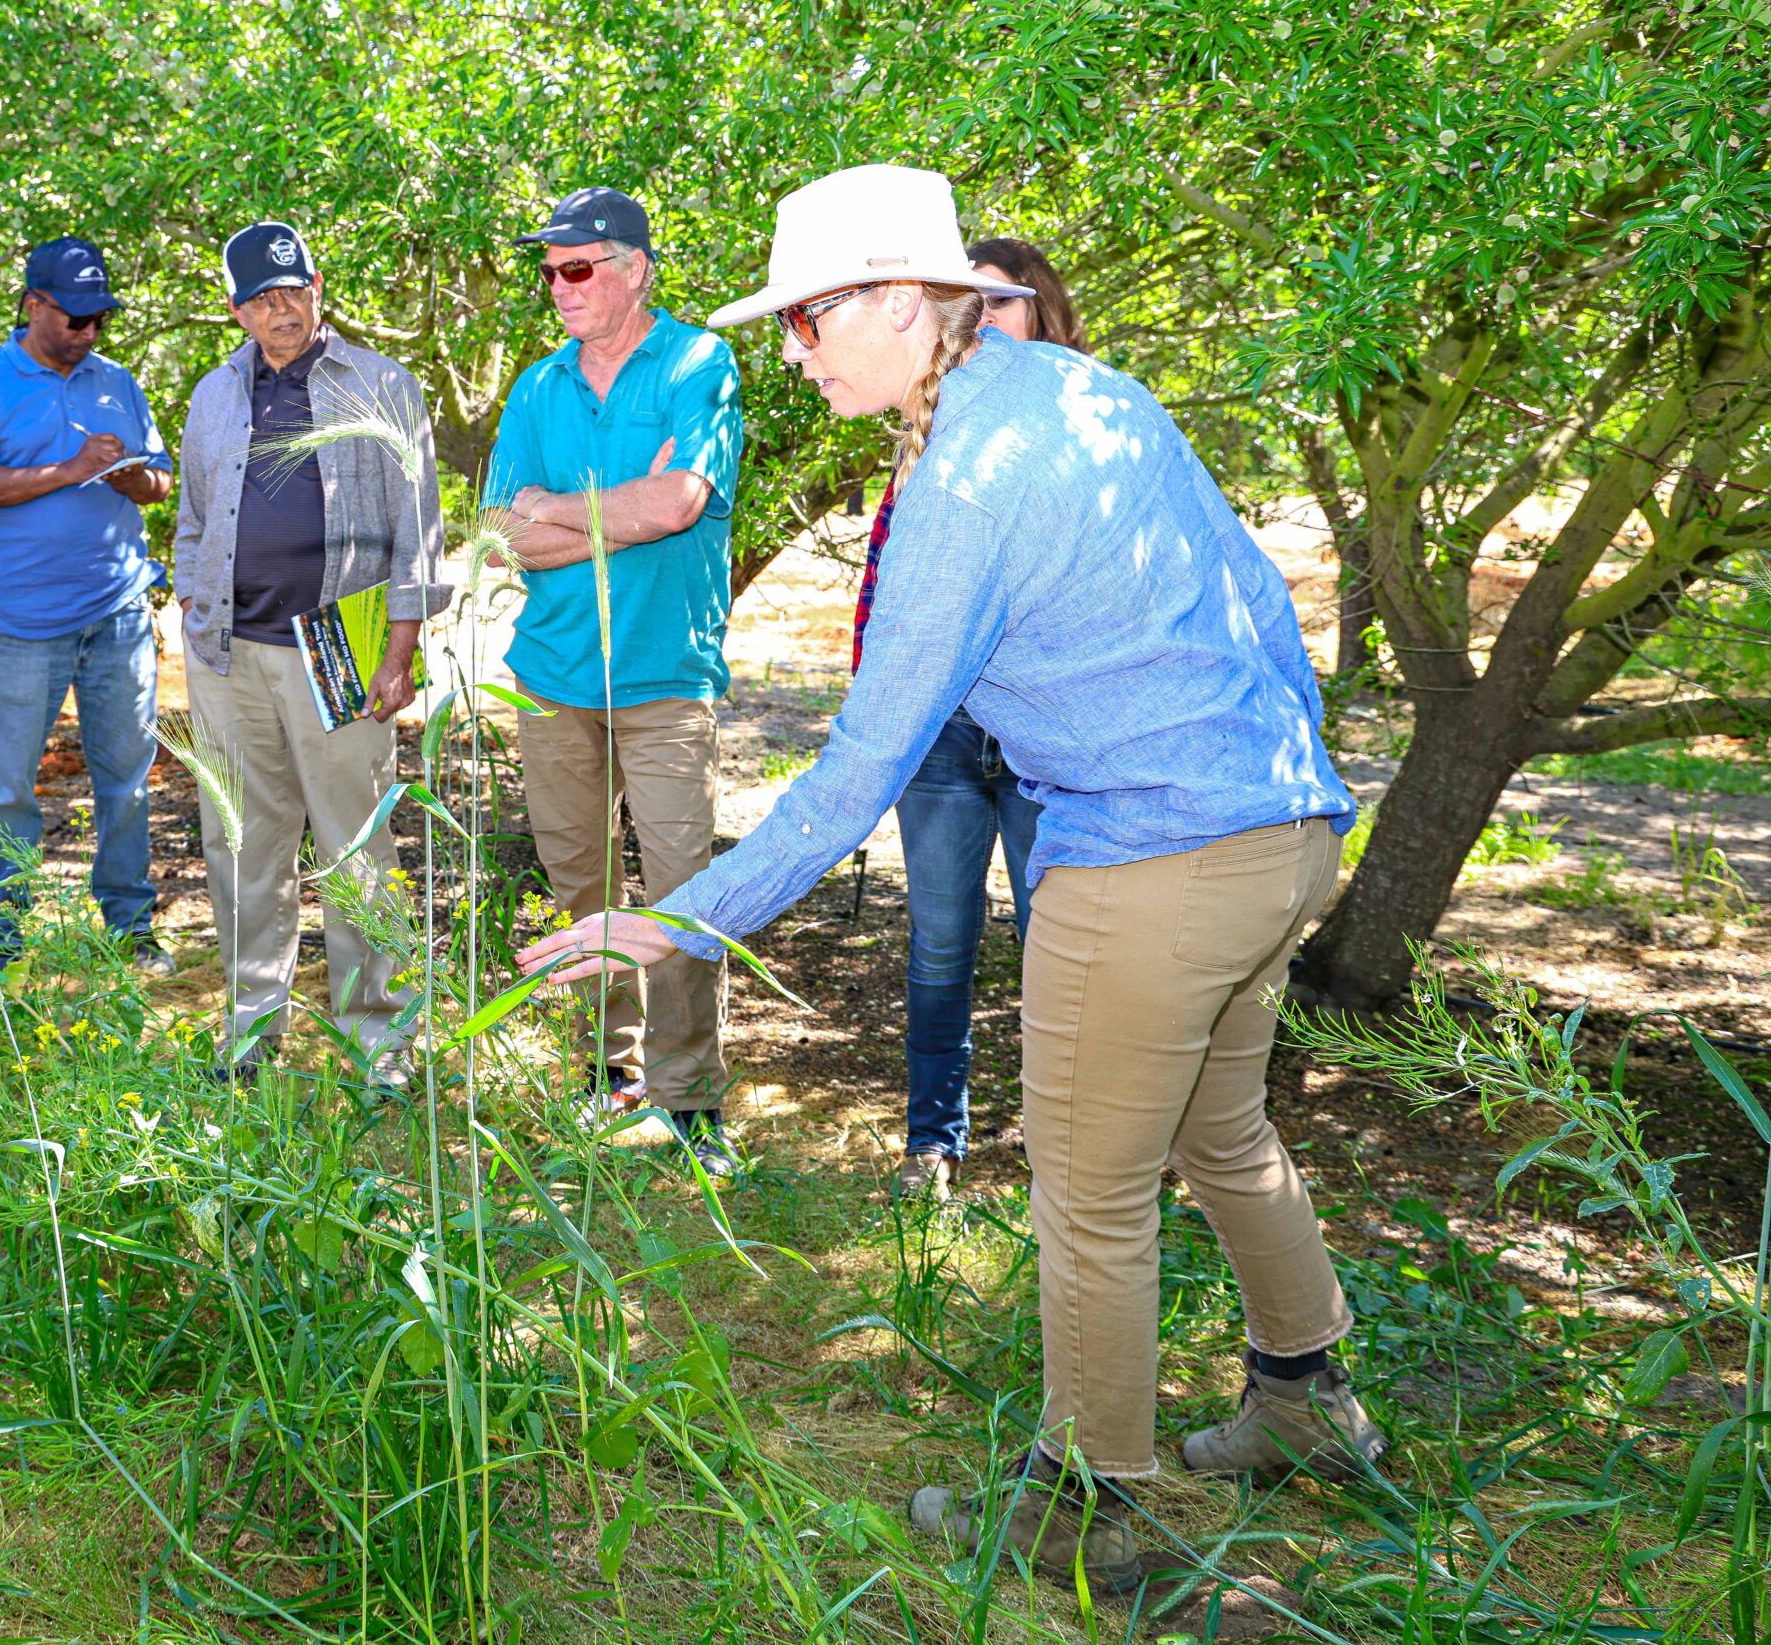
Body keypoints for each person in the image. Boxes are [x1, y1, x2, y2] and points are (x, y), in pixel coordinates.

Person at [517, 164, 1381, 1588]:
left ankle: (1094, 1504)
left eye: (810, 319)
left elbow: (859, 766)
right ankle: (1308, 1401)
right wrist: (1295, 792)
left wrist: (676, 917)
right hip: (1275, 829)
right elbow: (1247, 589)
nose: (793, 352)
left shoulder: (968, 479)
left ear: (913, 303)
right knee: (1220, 1133)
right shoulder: (1086, 391)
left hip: (1152, 855)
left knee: (1089, 1188)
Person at [484, 187, 743, 1171]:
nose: (558, 287)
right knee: (579, 884)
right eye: (548, 271)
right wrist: (601, 510)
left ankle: (691, 1102)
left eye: (577, 268)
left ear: (634, 269)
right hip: (551, 676)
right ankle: (610, 1073)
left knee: (679, 895)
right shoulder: (536, 387)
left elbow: (677, 504)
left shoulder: (697, 362)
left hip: (664, 674)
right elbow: (502, 532)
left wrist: (559, 507)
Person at [170, 222, 447, 1082]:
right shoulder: (214, 395)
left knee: (355, 844)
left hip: (340, 645)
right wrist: (190, 596)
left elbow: (420, 537)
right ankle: (253, 1026)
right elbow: (189, 515)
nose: (279, 308)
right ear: (233, 309)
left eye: (292, 290)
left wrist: (399, 654)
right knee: (242, 842)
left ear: (318, 285)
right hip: (228, 652)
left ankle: (381, 1040)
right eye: (260, 297)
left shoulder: (381, 384)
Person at [883, 236, 1094, 1203]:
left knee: (1059, 945)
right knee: (937, 942)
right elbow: (892, 595)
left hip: (1052, 743)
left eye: (1000, 302)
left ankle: (1079, 1153)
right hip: (945, 740)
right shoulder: (925, 430)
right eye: (964, 303)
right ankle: (935, 1143)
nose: (980, 319)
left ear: (1043, 314)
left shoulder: (1093, 429)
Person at [0, 237, 174, 970]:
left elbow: (161, 480)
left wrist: (132, 481)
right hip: (21, 622)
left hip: (118, 610)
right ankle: (0, 941)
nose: (89, 333)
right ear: (33, 304)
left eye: (99, 319)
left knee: (128, 779)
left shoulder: (117, 380)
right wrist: (70, 469)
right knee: (7, 787)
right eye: (74, 318)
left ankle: (130, 927)